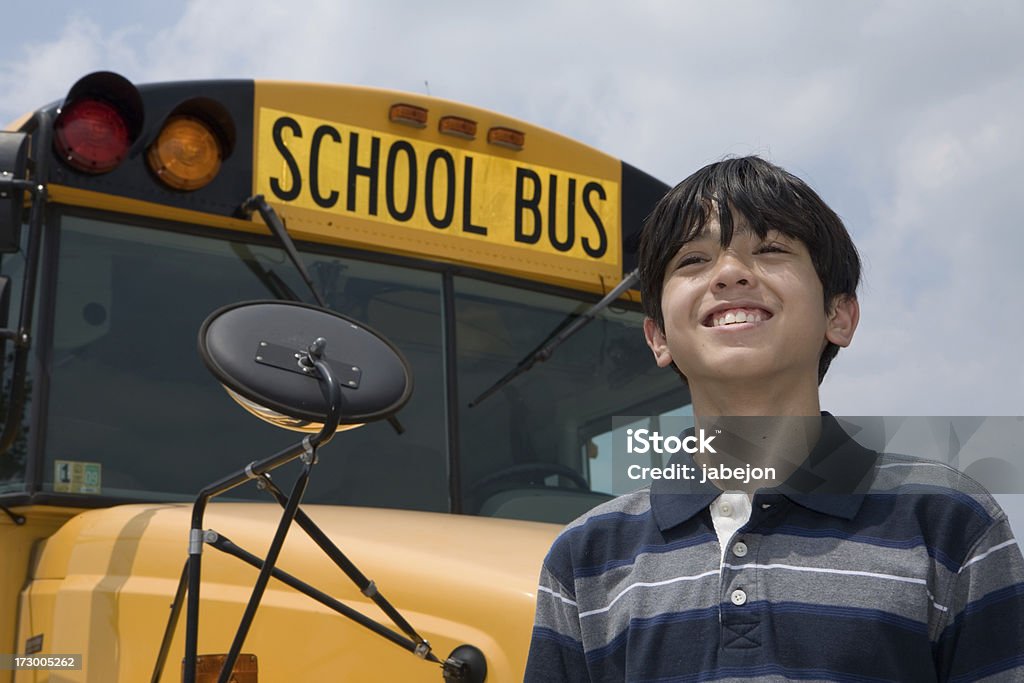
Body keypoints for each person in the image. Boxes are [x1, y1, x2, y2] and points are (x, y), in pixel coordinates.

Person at [524, 156, 1024, 681]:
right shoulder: (586, 559)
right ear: (658, 338)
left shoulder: (947, 522)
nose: (731, 272)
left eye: (770, 249)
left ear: (840, 315)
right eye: (692, 260)